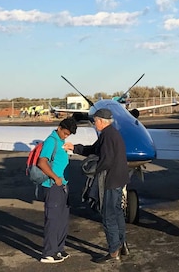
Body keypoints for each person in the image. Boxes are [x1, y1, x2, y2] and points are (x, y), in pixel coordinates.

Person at [71, 108, 129, 263]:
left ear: (102, 121)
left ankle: (113, 251)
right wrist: (75, 148)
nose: (94, 123)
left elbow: (107, 160)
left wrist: (91, 170)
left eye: (95, 120)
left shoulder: (107, 136)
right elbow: (94, 149)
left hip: (110, 181)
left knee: (108, 216)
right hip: (119, 179)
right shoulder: (111, 134)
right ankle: (122, 244)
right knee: (117, 213)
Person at [36, 117, 77, 263]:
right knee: (52, 220)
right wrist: (55, 177)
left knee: (62, 219)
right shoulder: (51, 141)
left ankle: (59, 249)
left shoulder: (61, 142)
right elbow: (42, 162)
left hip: (62, 185)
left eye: (69, 134)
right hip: (52, 185)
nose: (66, 136)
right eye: (65, 133)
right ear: (59, 128)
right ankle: (48, 253)